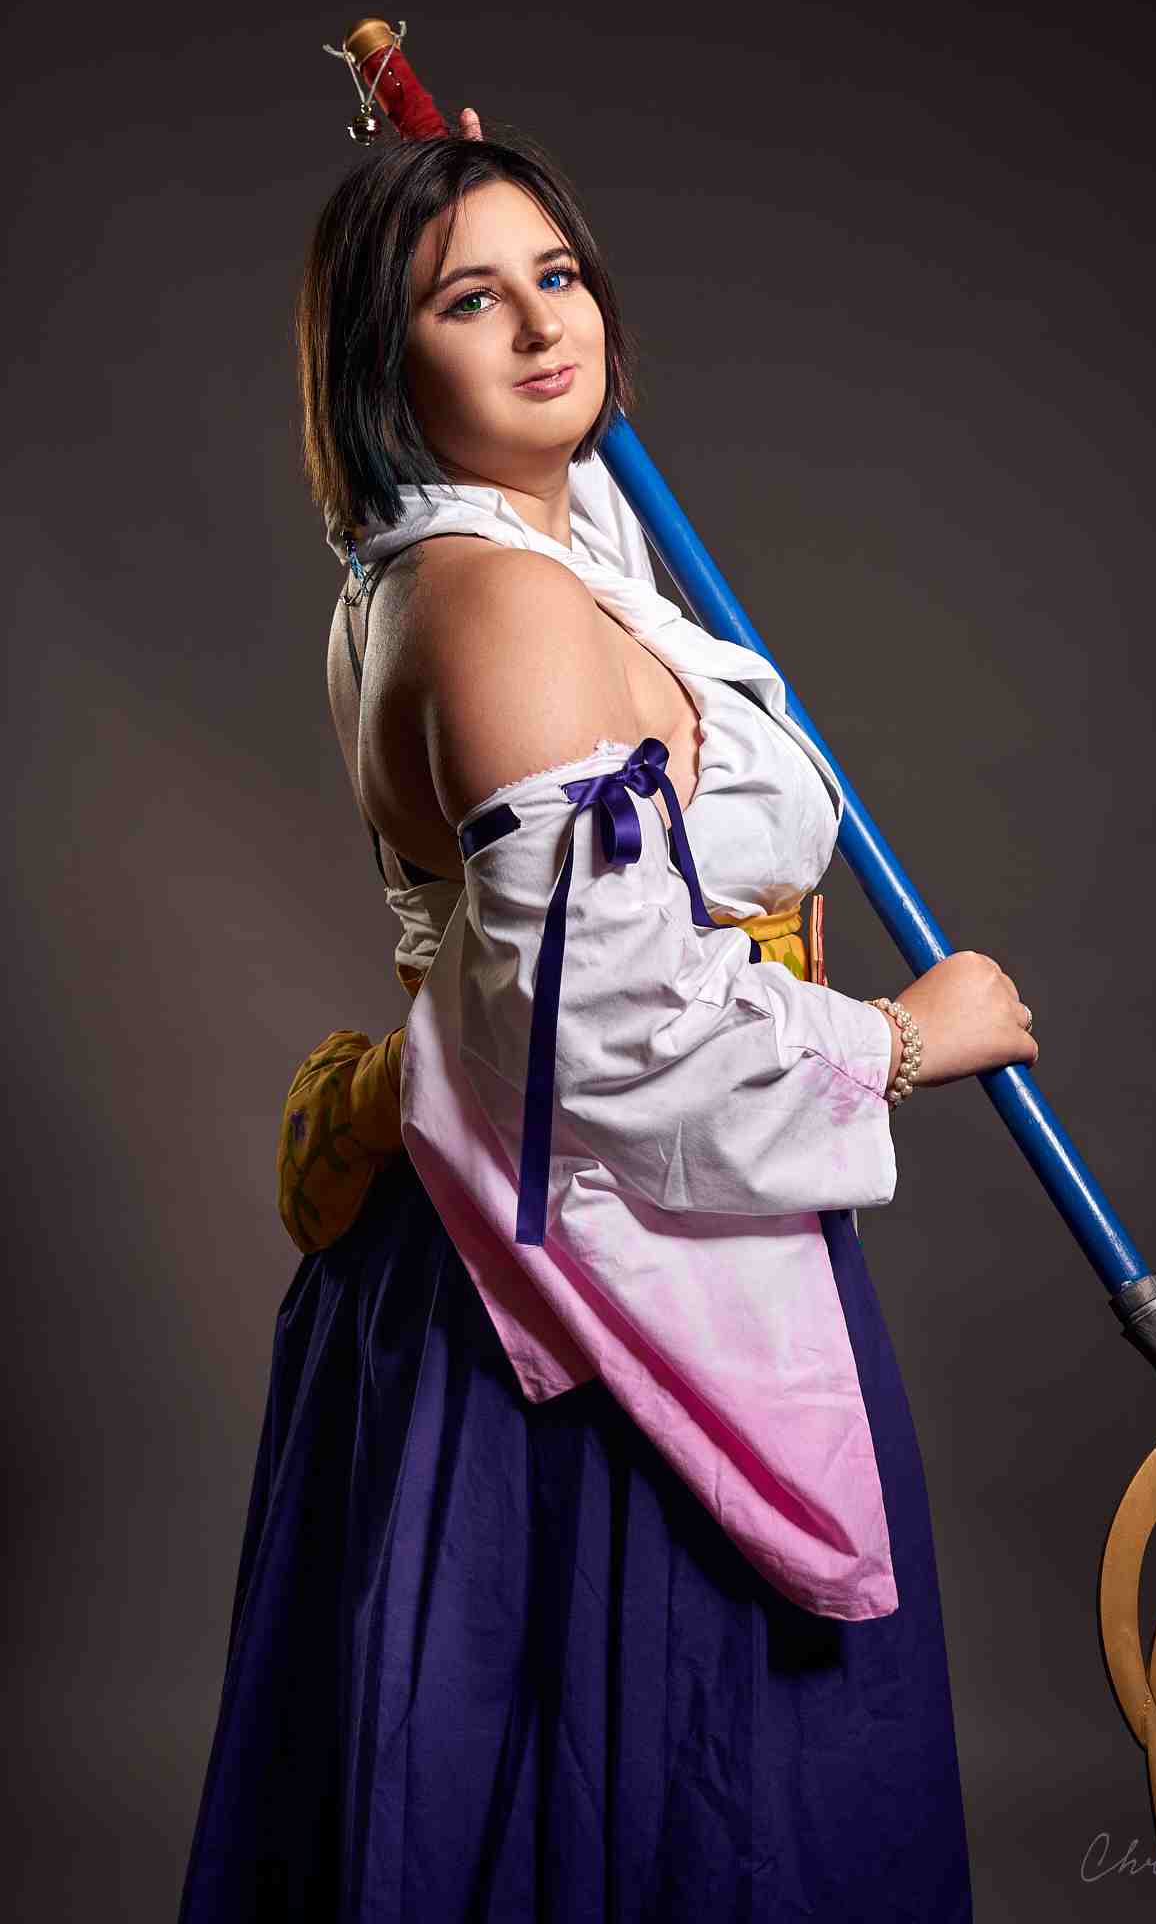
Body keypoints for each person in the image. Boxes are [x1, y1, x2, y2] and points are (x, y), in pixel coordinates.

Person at [178, 121, 1039, 1924]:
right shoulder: (495, 604)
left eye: (556, 276)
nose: (539, 328)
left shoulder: (521, 547)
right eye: (466, 302)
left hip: (586, 1230)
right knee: (651, 1816)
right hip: (579, 1299)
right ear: (384, 358)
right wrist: (900, 1040)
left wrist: (454, 181)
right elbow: (602, 1048)